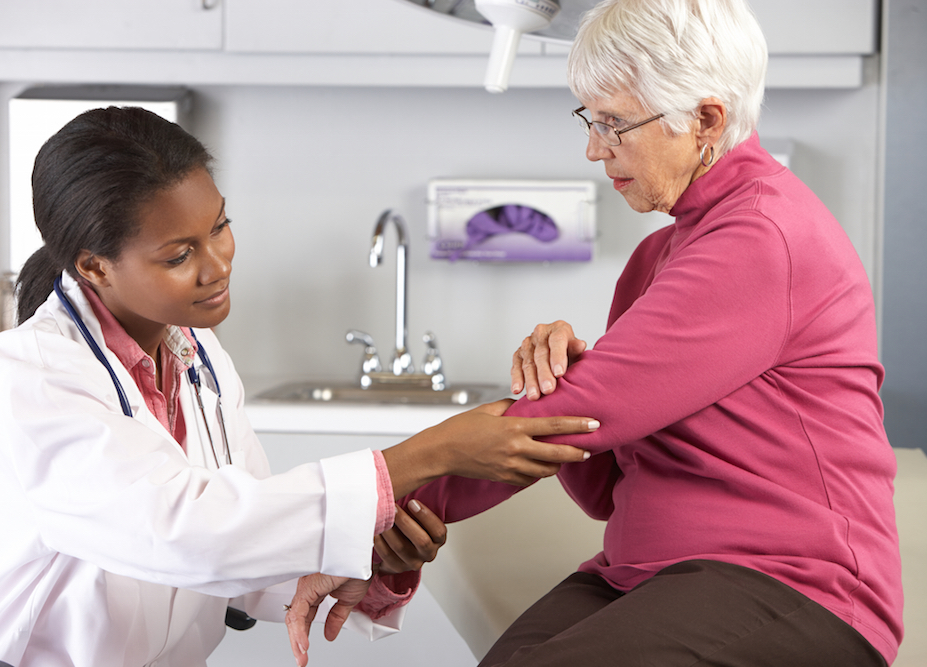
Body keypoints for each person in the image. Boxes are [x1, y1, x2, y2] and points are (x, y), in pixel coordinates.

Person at [342, 0, 902, 665]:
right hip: (646, 571)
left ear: (706, 120)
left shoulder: (763, 234)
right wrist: (568, 374)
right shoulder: (654, 258)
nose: (592, 147)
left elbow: (575, 418)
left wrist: (369, 511)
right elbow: (602, 478)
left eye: (613, 123)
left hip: (796, 583)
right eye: (590, 118)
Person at [0, 106, 599, 667]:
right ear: (94, 266)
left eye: (220, 226)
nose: (218, 262)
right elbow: (188, 532)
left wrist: (371, 558)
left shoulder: (198, 358)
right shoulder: (34, 373)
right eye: (179, 254)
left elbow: (250, 552)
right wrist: (432, 452)